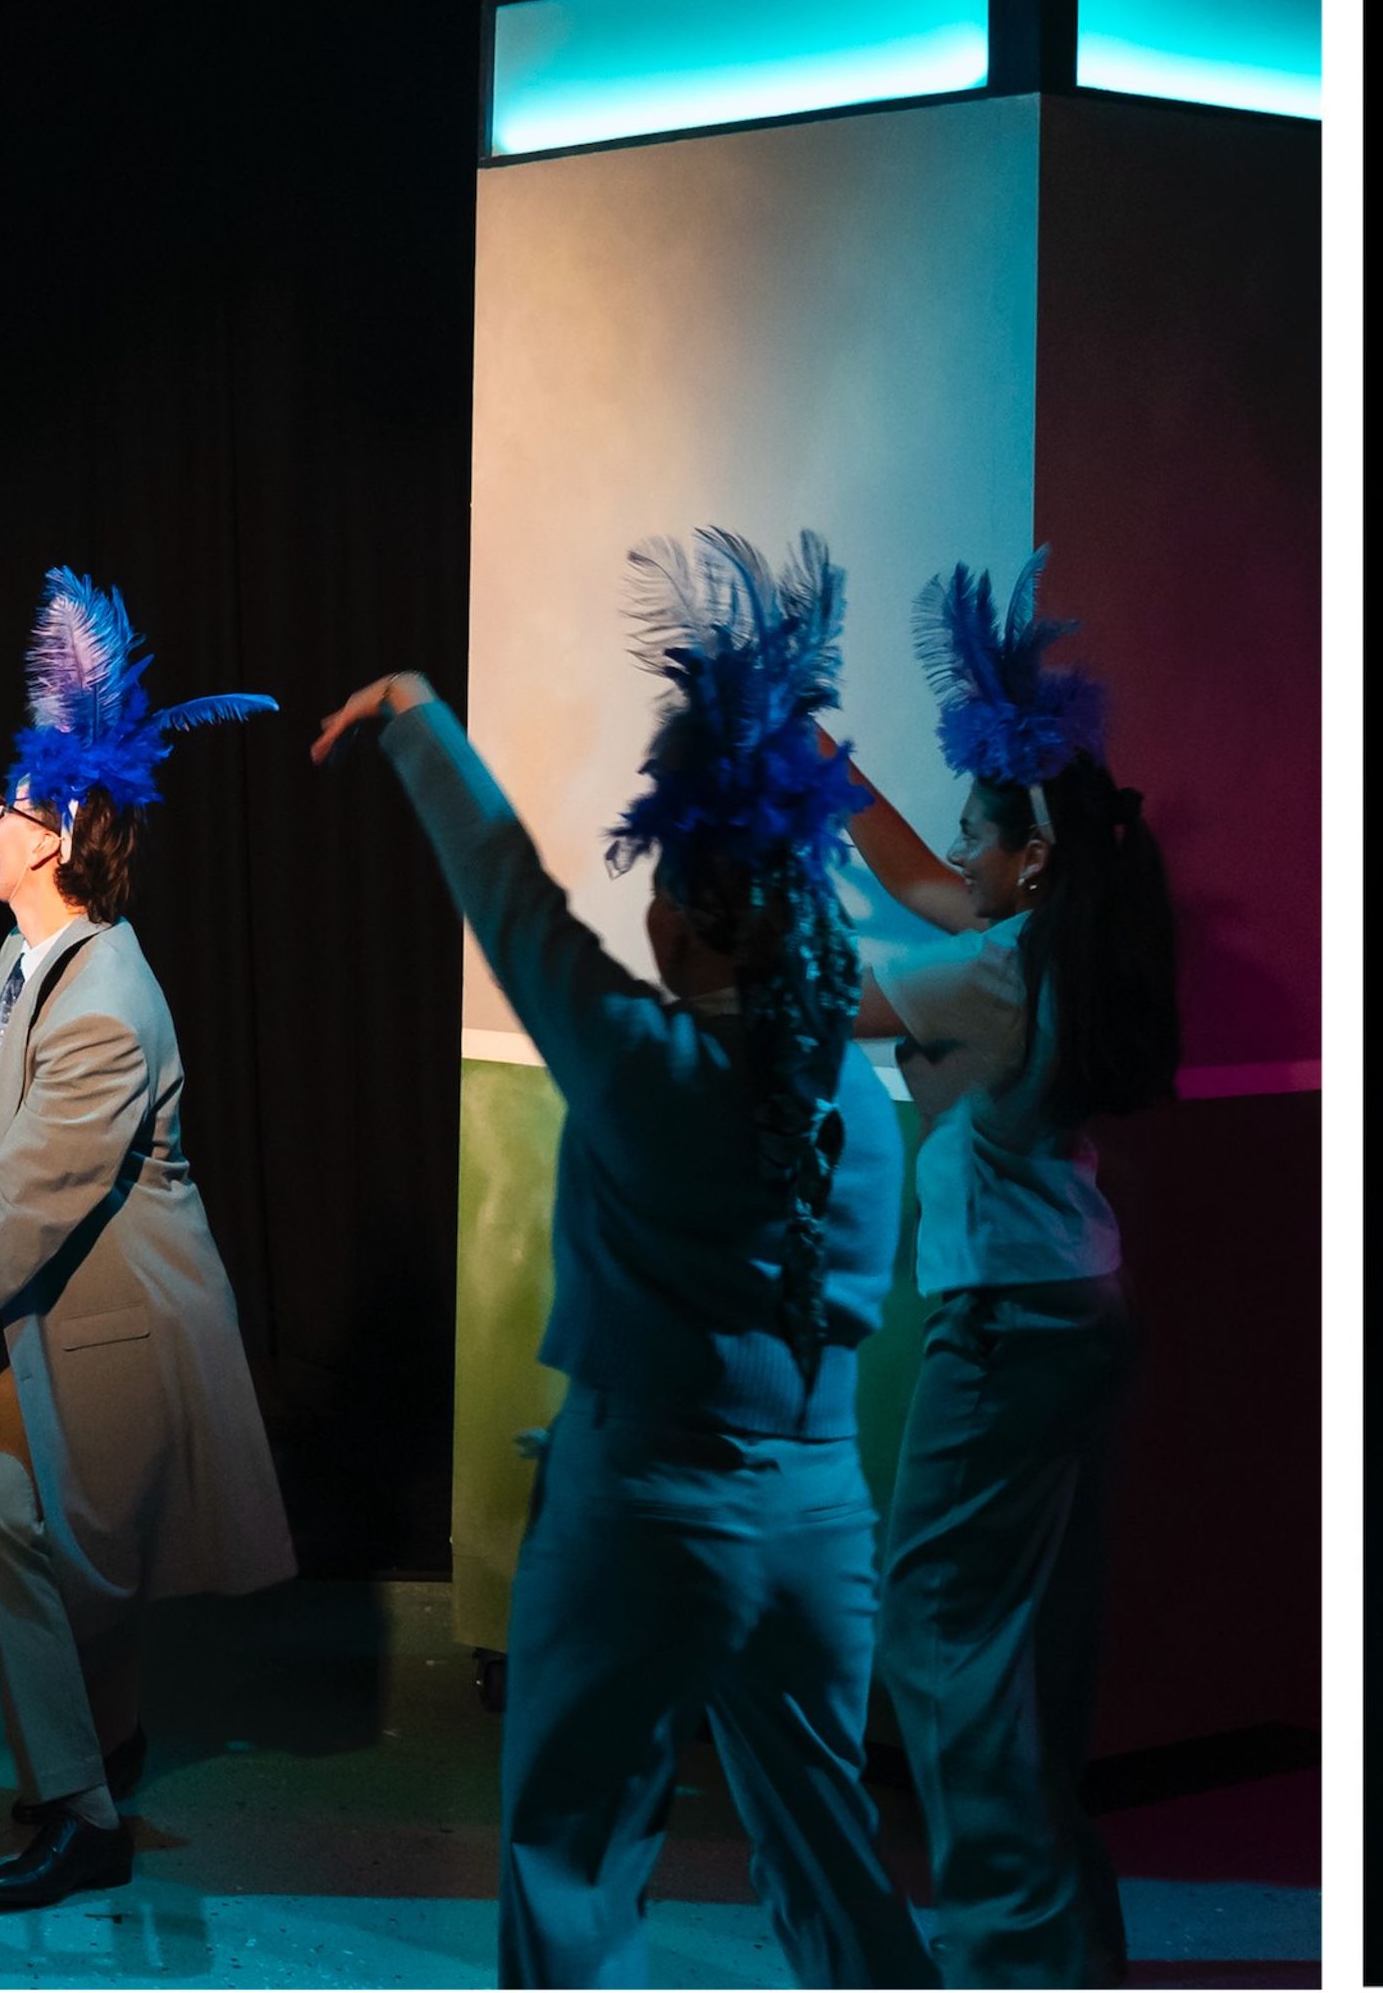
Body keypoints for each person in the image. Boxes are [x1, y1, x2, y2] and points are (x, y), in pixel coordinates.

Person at [313, 528, 935, 1990]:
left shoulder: (648, 1065)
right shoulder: (860, 1101)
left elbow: (513, 900)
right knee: (827, 1843)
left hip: (644, 1504)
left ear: (701, 915)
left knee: (575, 1847)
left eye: (660, 882)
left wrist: (416, 715)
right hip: (819, 1521)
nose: (641, 905)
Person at [0, 571, 293, 1909]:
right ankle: (105, 1745)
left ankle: (82, 1810)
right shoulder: (66, 965)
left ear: (56, 839)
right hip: (57, 1323)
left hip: (119, 1335)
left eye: (6, 810)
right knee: (46, 1539)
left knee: (0, 1519)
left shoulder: (105, 1004)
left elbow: (27, 1200)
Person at [824, 549, 1177, 1986]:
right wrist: (815, 759)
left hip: (1008, 1336)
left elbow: (819, 1005)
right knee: (1023, 1663)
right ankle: (1066, 1959)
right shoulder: (1055, 936)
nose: (958, 859)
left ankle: (1004, 1956)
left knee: (943, 1644)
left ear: (1029, 856)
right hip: (1078, 1309)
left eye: (984, 834)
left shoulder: (997, 969)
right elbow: (912, 869)